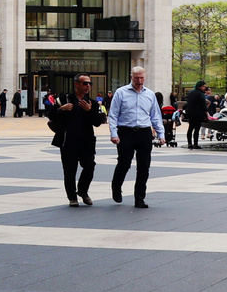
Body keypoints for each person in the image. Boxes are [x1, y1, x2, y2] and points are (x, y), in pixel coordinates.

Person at [107, 66, 165, 208]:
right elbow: (113, 115)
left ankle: (139, 198)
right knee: (124, 163)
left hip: (144, 132)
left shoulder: (150, 94)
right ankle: (116, 186)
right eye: (137, 78)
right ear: (131, 77)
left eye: (142, 78)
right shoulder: (121, 93)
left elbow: (155, 116)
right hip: (125, 131)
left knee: (144, 167)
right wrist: (114, 133)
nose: (139, 81)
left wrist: (161, 134)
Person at [49, 74, 108, 207]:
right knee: (69, 171)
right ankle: (72, 197)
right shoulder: (64, 99)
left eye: (89, 84)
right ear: (76, 84)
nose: (88, 86)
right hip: (68, 141)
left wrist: (89, 111)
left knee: (90, 166)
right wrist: (61, 109)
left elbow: (98, 122)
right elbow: (50, 115)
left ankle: (82, 190)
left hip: (86, 141)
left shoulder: (91, 103)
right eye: (85, 83)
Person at [183, 81, 209, 149]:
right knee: (197, 129)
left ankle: (189, 143)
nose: (204, 88)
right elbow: (203, 105)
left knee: (190, 127)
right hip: (198, 113)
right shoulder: (201, 94)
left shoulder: (191, 92)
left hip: (190, 112)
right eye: (203, 86)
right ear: (199, 87)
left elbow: (188, 102)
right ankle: (195, 144)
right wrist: (207, 114)